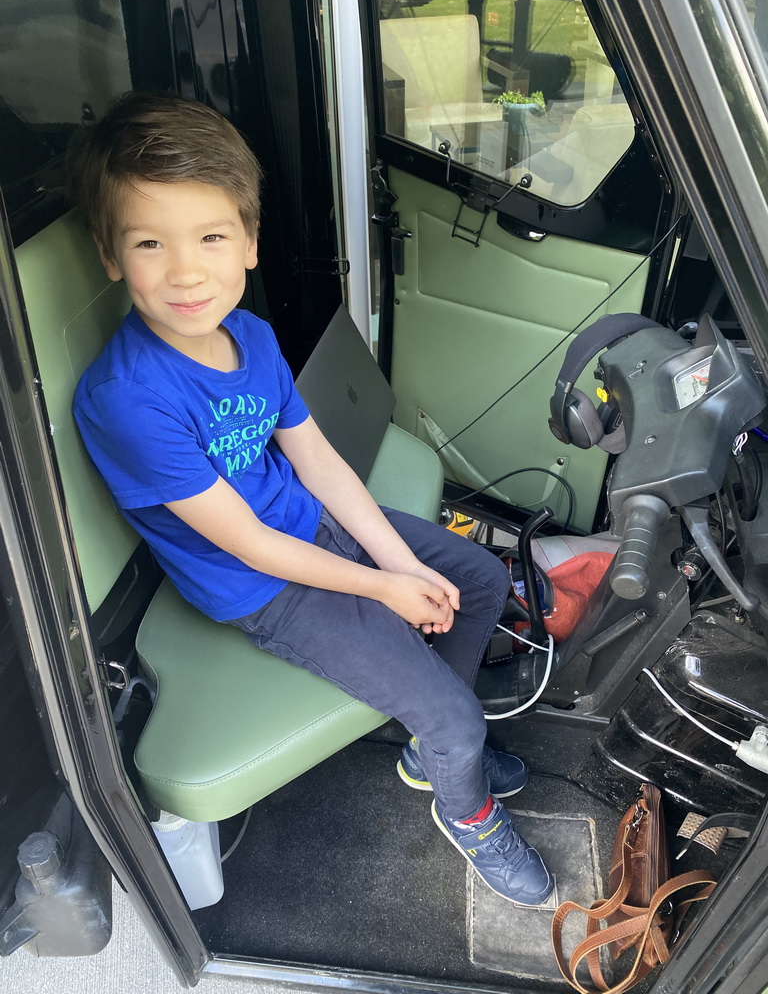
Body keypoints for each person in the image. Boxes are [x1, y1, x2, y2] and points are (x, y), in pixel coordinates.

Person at [70, 92, 553, 906]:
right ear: (111, 255)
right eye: (150, 243)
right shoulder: (129, 398)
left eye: (211, 237)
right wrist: (385, 588)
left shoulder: (249, 336)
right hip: (264, 589)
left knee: (478, 579)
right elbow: (252, 548)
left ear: (249, 244)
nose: (186, 271)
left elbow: (320, 463)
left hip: (312, 523)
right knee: (456, 717)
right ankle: (461, 801)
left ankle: (429, 741)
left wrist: (401, 561)